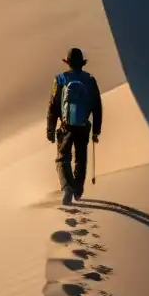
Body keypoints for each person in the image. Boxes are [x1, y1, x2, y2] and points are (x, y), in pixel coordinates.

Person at [47, 48, 103, 205]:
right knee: (81, 157)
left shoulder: (59, 79)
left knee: (62, 158)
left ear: (68, 63)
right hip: (84, 125)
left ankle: (67, 187)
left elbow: (53, 105)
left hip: (66, 125)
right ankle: (78, 190)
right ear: (82, 63)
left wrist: (50, 128)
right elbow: (97, 106)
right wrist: (96, 131)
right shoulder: (90, 80)